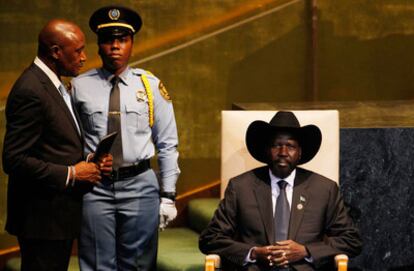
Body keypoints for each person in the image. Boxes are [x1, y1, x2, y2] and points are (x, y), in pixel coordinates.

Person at [71, 5, 180, 270]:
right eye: (108, 40)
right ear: (98, 45)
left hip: (140, 185)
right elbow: (70, 140)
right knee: (97, 263)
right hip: (95, 187)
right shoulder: (78, 87)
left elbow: (167, 143)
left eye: (122, 39)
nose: (115, 46)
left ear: (131, 44)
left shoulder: (150, 86)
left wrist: (168, 195)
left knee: (139, 264)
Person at [2, 19, 111, 271]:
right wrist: (72, 173)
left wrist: (91, 161)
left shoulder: (52, 83)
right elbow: (13, 159)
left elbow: (54, 144)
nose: (84, 57)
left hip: (57, 217)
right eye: (78, 51)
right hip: (41, 220)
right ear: (55, 52)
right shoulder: (31, 89)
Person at [199, 111, 362, 271]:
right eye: (276, 145)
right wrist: (253, 253)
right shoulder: (241, 187)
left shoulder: (324, 189)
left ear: (300, 153)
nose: (283, 153)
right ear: (266, 151)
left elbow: (351, 240)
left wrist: (305, 251)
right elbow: (210, 238)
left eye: (290, 146)